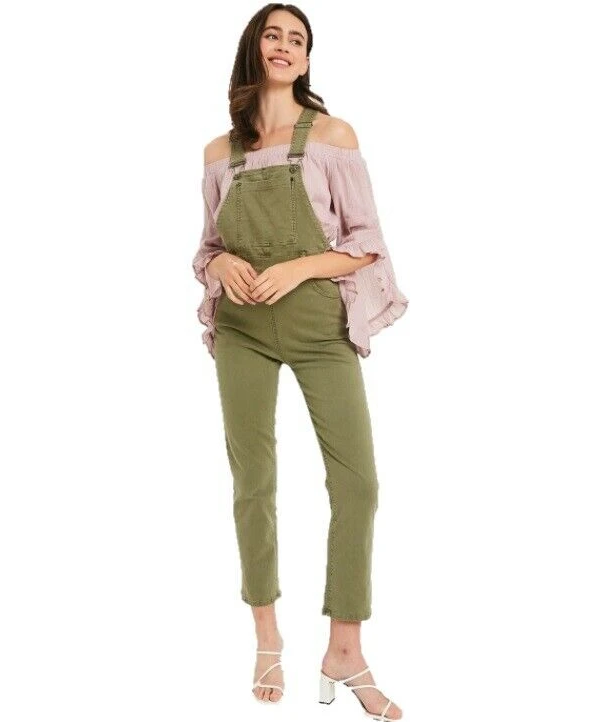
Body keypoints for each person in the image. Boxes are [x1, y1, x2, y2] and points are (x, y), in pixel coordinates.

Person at [191, 5, 408, 720]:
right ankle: (266, 635)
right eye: (273, 35)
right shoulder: (218, 153)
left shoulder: (333, 136)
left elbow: (366, 240)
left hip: (318, 325)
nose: (284, 46)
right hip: (243, 329)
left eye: (298, 39)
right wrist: (220, 264)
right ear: (253, 48)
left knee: (358, 483)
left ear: (307, 58)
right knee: (253, 481)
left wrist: (299, 267)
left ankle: (345, 648)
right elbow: (206, 248)